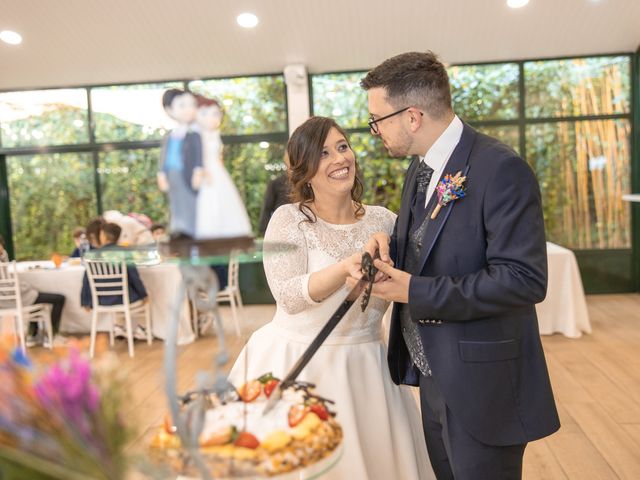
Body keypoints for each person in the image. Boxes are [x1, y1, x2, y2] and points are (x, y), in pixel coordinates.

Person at [358, 51, 560, 479]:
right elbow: (431, 243)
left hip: (482, 384)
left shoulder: (501, 169)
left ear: (412, 116)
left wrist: (415, 292)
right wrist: (388, 244)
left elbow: (523, 280)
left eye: (377, 119)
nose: (374, 130)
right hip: (434, 375)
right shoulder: (420, 167)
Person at [228, 116, 433, 480]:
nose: (340, 159)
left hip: (368, 368)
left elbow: (410, 284)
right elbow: (288, 295)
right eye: (323, 154)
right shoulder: (289, 219)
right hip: (298, 362)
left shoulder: (385, 221)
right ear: (304, 170)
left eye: (342, 147)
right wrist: (344, 268)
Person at [194, 94, 252, 239]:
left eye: (216, 114)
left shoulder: (214, 134)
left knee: (223, 202)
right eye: (208, 114)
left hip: (218, 172)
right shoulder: (197, 135)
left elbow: (218, 156)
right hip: (204, 173)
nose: (214, 118)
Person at [80, 223, 149, 340]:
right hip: (124, 299)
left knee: (120, 292)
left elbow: (86, 281)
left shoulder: (92, 255)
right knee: (142, 296)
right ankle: (142, 329)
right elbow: (134, 278)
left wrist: (85, 301)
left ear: (103, 236)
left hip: (102, 301)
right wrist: (144, 295)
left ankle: (119, 326)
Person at [157, 88, 203, 239]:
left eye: (190, 105)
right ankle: (178, 227)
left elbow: (198, 155)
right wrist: (161, 173)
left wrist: (198, 170)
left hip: (187, 174)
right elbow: (164, 156)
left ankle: (192, 230)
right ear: (170, 110)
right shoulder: (170, 136)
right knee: (175, 203)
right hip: (172, 174)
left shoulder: (194, 135)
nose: (188, 109)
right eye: (182, 105)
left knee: (190, 201)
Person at [257, 160, 291, 236]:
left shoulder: (306, 182)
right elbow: (267, 207)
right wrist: (264, 229)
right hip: (280, 226)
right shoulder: (276, 183)